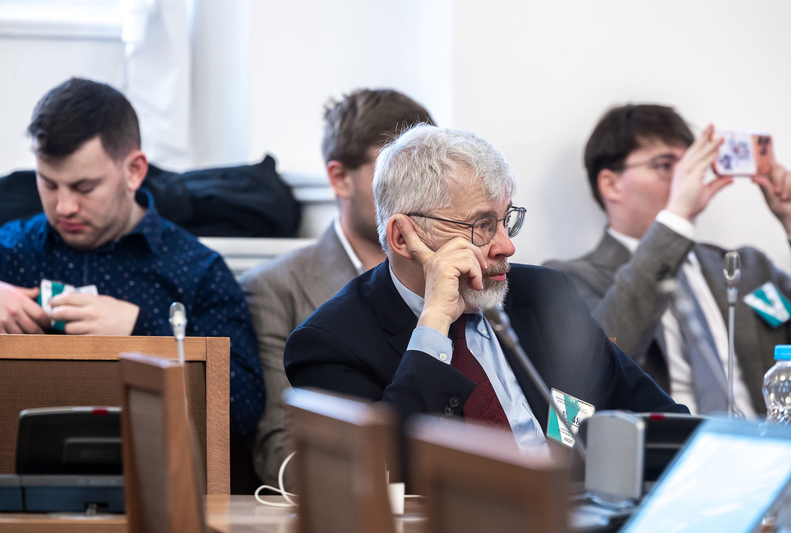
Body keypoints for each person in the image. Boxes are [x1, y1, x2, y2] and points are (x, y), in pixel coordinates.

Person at [285, 124, 685, 459]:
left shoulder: (542, 295)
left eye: (505, 220)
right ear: (402, 237)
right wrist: (435, 323)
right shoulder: (330, 342)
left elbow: (650, 416)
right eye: (481, 226)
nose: (506, 246)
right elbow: (380, 468)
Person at [0, 78, 264, 436]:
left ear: (134, 170)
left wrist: (145, 334)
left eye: (84, 187)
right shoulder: (7, 252)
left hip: (155, 480)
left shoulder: (198, 271)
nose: (64, 206)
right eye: (48, 183)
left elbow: (244, 408)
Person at [239, 89, 434, 484]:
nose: (416, 193)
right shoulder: (275, 288)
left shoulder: (463, 277)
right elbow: (283, 460)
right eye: (391, 173)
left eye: (427, 176)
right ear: (340, 178)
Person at [544, 104, 791, 416]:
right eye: (664, 165)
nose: (685, 178)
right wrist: (675, 219)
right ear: (611, 184)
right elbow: (590, 380)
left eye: (689, 164)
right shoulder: (567, 280)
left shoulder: (749, 267)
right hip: (660, 459)